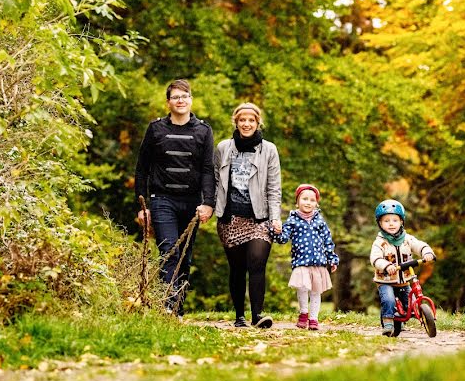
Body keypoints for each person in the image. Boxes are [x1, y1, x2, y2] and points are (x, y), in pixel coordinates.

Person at [134, 79, 215, 315]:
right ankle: (167, 307)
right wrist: (141, 205)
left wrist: (208, 203)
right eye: (176, 97)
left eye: (185, 96)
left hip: (191, 202)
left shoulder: (203, 130)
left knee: (185, 258)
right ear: (168, 102)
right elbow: (142, 169)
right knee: (169, 251)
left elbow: (208, 169)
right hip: (162, 201)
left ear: (191, 99)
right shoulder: (156, 129)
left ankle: (177, 308)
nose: (181, 100)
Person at [214, 102, 282, 328]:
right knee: (237, 268)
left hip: (259, 218)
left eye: (251, 120)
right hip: (230, 218)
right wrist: (211, 207)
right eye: (242, 120)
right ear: (236, 122)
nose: (246, 124)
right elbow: (215, 181)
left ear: (257, 123)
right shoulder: (223, 148)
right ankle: (239, 316)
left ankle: (258, 315)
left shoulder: (269, 149)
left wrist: (275, 217)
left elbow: (274, 187)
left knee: (257, 263)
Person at [273, 184, 338, 331]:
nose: (308, 202)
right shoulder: (293, 220)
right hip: (301, 262)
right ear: (297, 202)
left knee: (316, 291)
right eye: (304, 199)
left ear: (316, 203)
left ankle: (313, 319)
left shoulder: (320, 221)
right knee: (302, 288)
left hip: (318, 263)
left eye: (312, 200)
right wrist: (276, 231)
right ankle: (303, 313)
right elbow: (283, 238)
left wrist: (332, 259)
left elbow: (328, 241)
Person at [369, 199, 436, 337]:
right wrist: (386, 265)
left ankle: (418, 315)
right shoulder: (380, 242)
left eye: (395, 220)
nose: (391, 223)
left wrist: (427, 252)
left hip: (404, 279)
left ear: (401, 222)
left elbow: (419, 245)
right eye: (386, 221)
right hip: (386, 280)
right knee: (388, 300)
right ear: (380, 224)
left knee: (410, 301)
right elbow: (375, 258)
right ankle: (388, 322)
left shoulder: (407, 239)